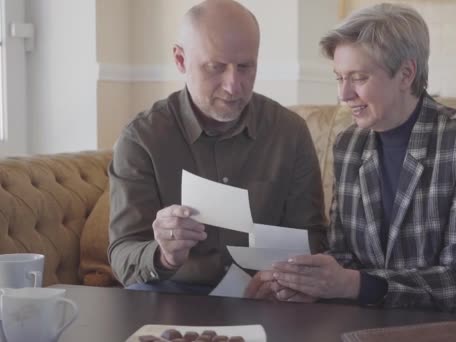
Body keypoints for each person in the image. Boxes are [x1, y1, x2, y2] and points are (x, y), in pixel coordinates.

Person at [263, 3, 456, 320]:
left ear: (406, 74)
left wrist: (354, 284)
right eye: (339, 78)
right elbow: (344, 253)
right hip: (389, 313)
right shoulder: (348, 145)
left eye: (358, 77)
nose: (343, 94)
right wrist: (306, 281)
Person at [108, 0, 326, 296]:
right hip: (170, 294)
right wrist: (164, 254)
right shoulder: (142, 139)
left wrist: (282, 281)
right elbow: (123, 255)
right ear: (181, 60)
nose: (233, 85)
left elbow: (312, 239)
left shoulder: (289, 132)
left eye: (246, 67)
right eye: (216, 67)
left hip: (266, 299)